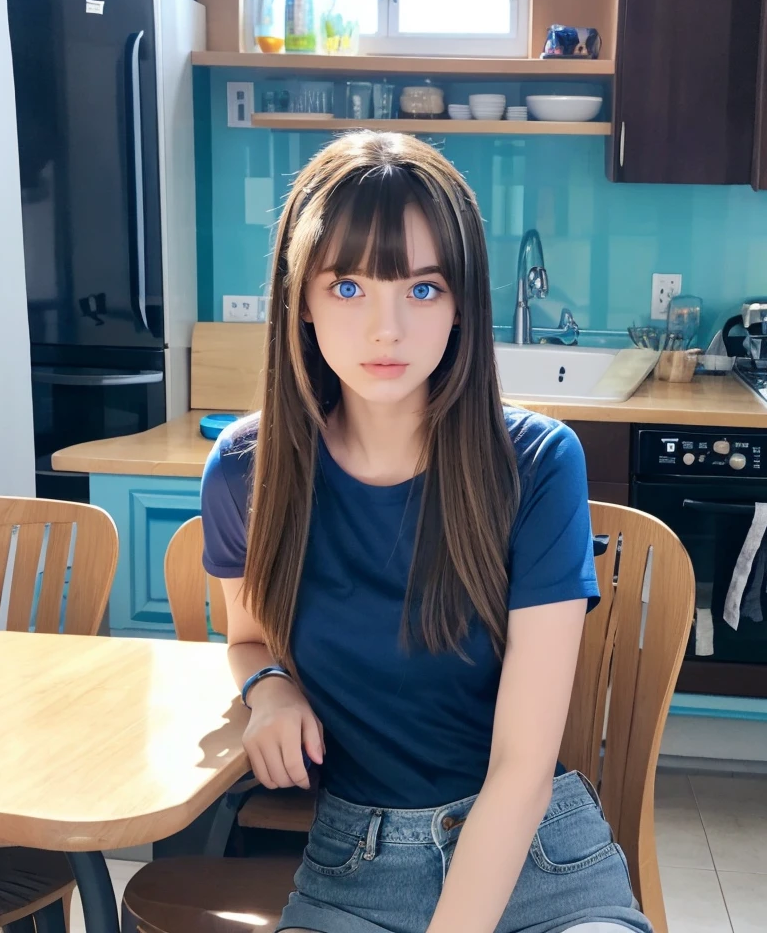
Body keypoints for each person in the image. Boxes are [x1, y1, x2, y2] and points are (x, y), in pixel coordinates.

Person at [200, 131, 652, 933]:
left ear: (461, 303)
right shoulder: (247, 471)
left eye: (422, 288)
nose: (387, 330)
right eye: (348, 288)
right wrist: (267, 690)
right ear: (301, 296)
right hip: (354, 866)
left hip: (536, 861)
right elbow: (248, 635)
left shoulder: (538, 465)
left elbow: (521, 769)